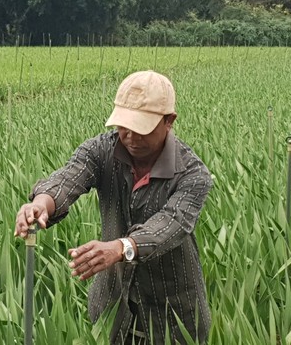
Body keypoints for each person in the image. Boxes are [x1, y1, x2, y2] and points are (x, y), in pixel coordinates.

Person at [14, 70, 213, 344]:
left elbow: (171, 224)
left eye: (140, 128)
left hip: (173, 315)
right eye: (123, 126)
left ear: (169, 121)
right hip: (112, 308)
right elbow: (71, 176)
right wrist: (41, 203)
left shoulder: (192, 174)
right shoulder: (101, 151)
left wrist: (121, 247)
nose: (130, 136)